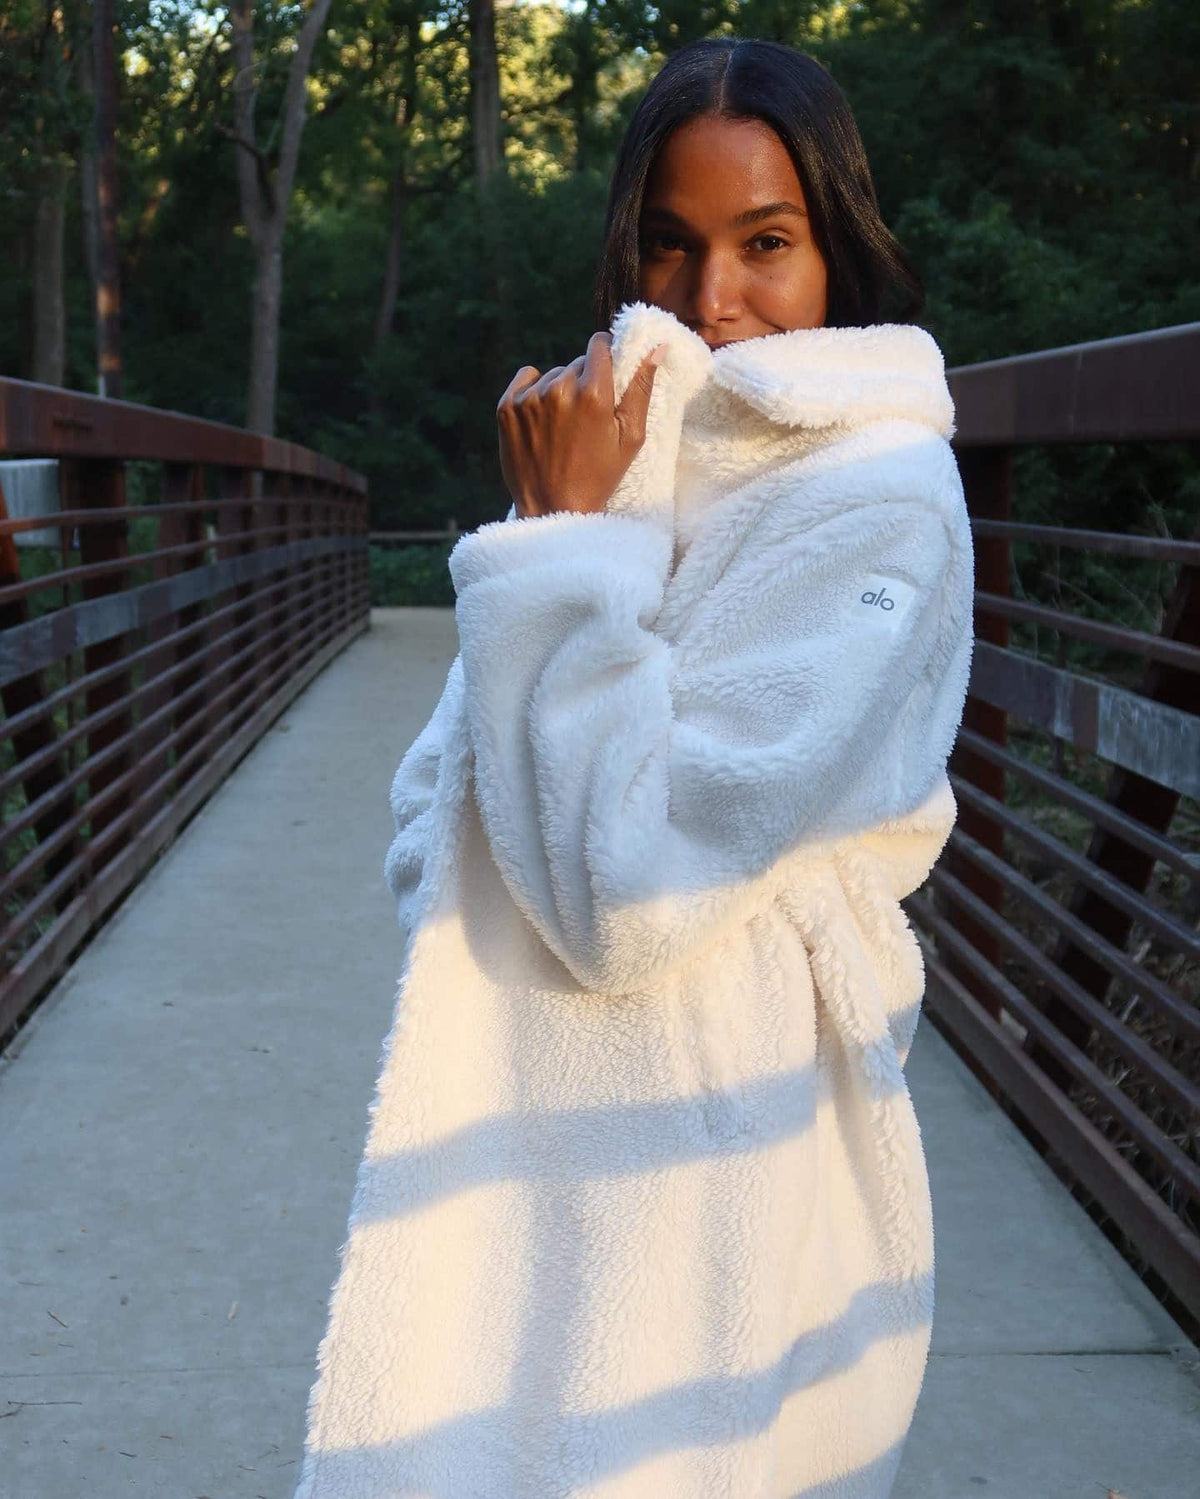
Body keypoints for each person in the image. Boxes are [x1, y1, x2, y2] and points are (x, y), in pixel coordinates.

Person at [295, 35, 974, 1499]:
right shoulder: (622, 458)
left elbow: (628, 902)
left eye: (766, 245)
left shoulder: (884, 496)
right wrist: (568, 532)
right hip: (538, 1107)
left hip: (730, 1124)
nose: (711, 301)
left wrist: (561, 557)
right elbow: (435, 813)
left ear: (837, 256)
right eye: (669, 244)